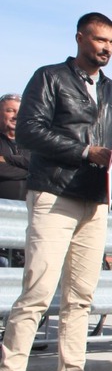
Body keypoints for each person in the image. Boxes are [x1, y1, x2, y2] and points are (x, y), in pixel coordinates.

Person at [0, 13, 112, 371]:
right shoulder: (50, 77)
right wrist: (85, 152)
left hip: (96, 200)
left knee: (81, 297)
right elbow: (29, 130)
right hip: (54, 194)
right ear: (80, 38)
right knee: (38, 292)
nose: (106, 48)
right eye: (99, 39)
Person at [0, 93, 30, 268]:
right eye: (10, 110)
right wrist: (29, 169)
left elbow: (40, 165)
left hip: (26, 223)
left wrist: (7, 160)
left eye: (19, 111)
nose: (16, 116)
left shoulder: (32, 142)